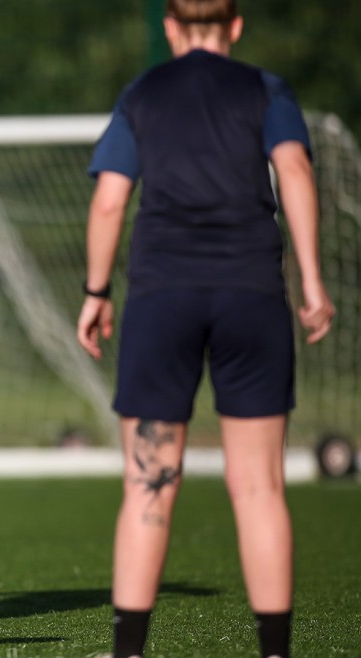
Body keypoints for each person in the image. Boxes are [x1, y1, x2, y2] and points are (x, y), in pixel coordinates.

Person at [76, 2, 335, 657]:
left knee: (149, 482)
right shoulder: (265, 89)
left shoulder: (144, 92)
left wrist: (96, 290)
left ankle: (129, 651)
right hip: (252, 294)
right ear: (236, 25)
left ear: (170, 27)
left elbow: (110, 199)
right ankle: (275, 651)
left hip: (163, 299)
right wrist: (312, 281)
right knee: (259, 486)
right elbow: (296, 172)